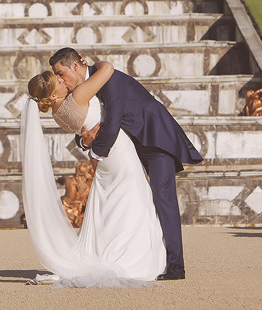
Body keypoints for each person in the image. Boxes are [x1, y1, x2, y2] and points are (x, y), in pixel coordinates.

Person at [50, 47, 203, 280]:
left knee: (163, 197)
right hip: (131, 146)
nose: (60, 79)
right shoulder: (88, 87)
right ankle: (150, 255)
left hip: (154, 138)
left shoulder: (109, 79)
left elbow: (111, 124)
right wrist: (84, 140)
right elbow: (88, 124)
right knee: (143, 199)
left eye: (61, 73)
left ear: (75, 65)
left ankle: (176, 265)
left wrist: (95, 156)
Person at [22, 62, 166, 286]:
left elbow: (83, 134)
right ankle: (131, 257)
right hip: (118, 153)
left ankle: (105, 252)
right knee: (133, 200)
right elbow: (107, 69)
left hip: (102, 158)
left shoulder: (58, 114)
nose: (62, 79)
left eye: (59, 76)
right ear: (52, 95)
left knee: (108, 204)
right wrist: (85, 64)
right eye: (57, 81)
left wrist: (86, 140)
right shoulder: (77, 97)